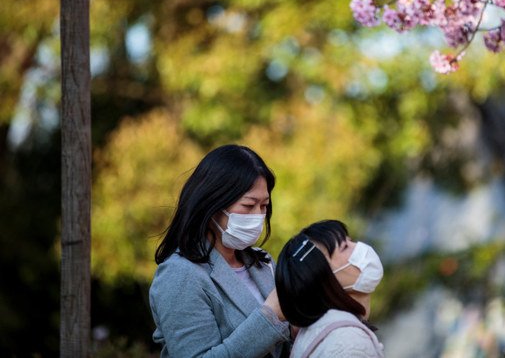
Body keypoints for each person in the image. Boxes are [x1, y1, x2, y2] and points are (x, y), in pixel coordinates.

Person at [149, 145, 291, 357]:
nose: (258, 216)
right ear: (213, 204)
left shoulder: (262, 262)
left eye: (264, 206)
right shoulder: (180, 275)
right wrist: (270, 315)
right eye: (249, 205)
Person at [275, 220, 385, 358]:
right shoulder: (348, 344)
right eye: (345, 247)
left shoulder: (318, 332)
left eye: (351, 241)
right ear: (322, 277)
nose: (359, 247)